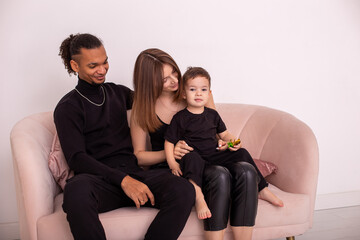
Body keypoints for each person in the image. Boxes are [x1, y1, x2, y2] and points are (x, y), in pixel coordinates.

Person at [54, 33, 195, 240]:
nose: (102, 70)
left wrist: (195, 92)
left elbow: (153, 98)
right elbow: (77, 158)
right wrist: (123, 181)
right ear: (75, 66)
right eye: (93, 66)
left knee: (183, 189)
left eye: (105, 62)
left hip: (136, 175)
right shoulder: (68, 107)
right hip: (100, 182)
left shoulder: (118, 93)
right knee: (75, 192)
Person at [131, 48, 263, 240]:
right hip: (177, 168)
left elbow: (216, 131)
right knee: (219, 174)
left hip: (208, 157)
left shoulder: (195, 92)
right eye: (165, 79)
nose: (175, 80)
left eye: (174, 72)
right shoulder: (142, 108)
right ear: (148, 82)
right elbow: (139, 156)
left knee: (246, 169)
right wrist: (172, 153)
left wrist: (225, 144)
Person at [164, 67, 284, 221]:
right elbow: (169, 142)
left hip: (214, 154)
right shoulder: (180, 118)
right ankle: (199, 197)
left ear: (209, 93)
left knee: (242, 153)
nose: (198, 93)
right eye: (193, 89)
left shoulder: (212, 115)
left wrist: (233, 142)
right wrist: (172, 163)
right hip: (195, 157)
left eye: (203, 89)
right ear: (183, 93)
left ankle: (261, 189)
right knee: (190, 158)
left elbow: (225, 134)